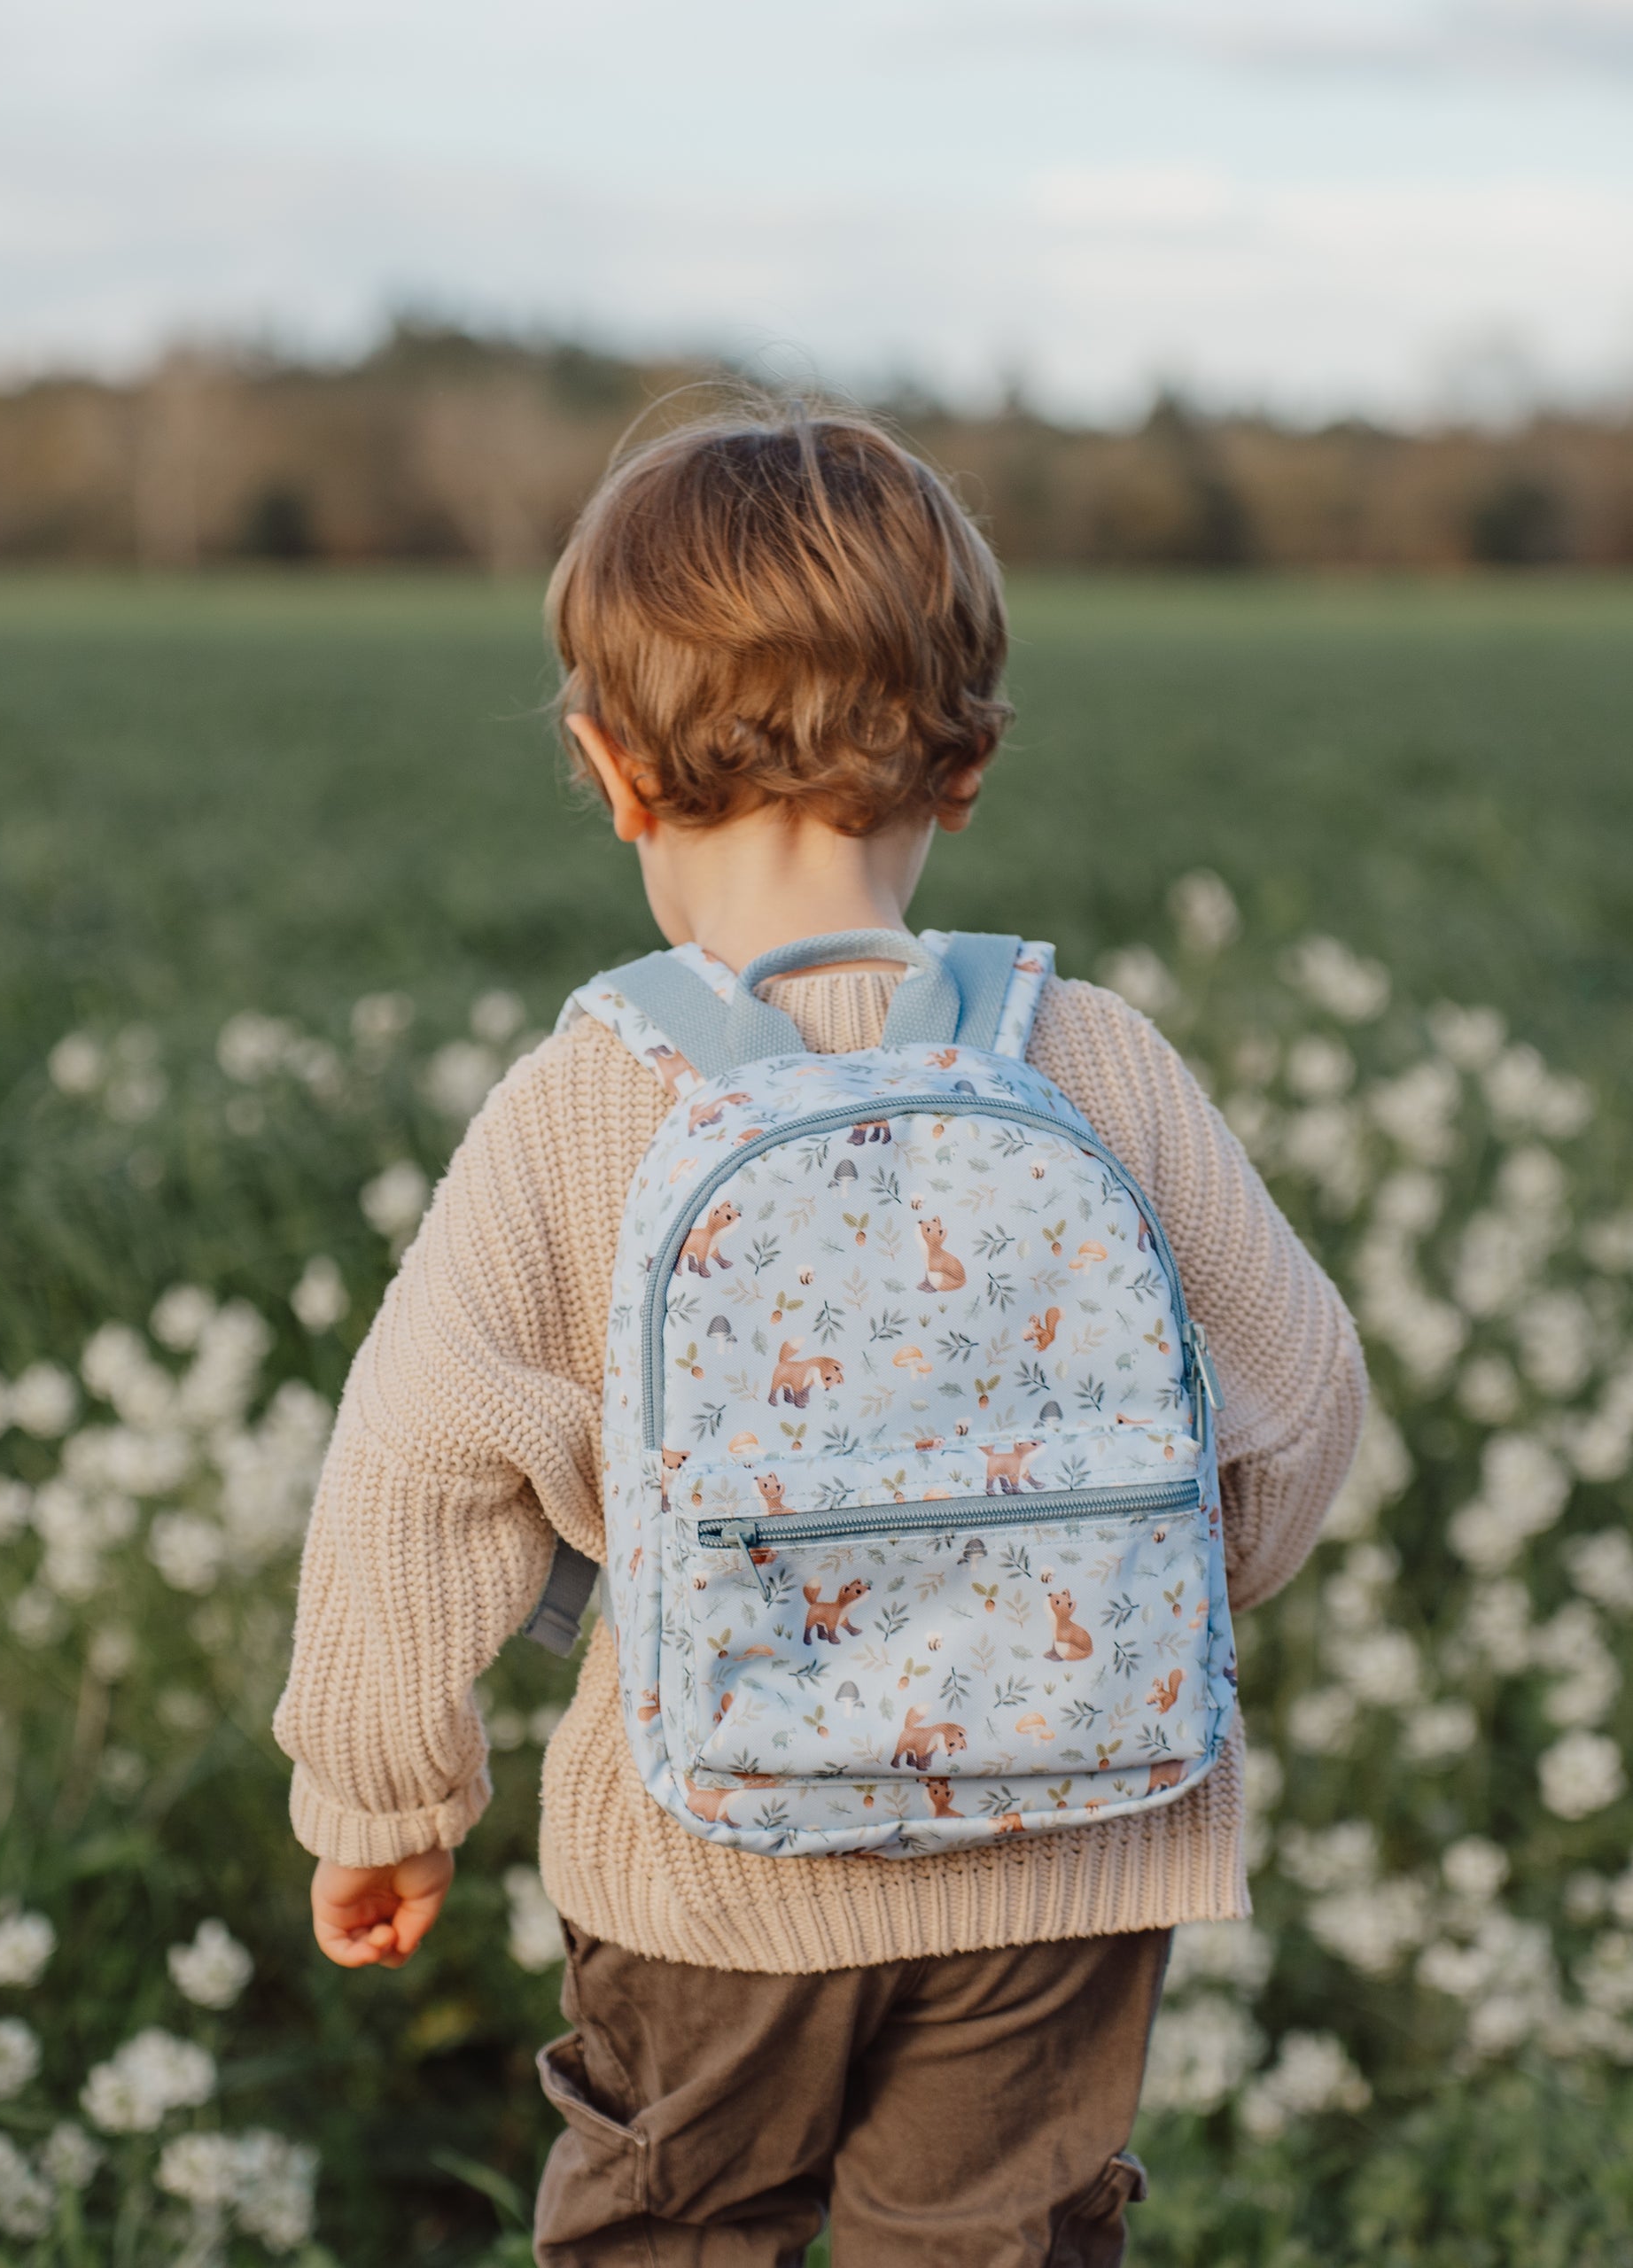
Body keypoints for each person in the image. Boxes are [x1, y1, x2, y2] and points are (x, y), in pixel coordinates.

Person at [273, 400, 1366, 2265]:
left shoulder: (589, 1099)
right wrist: (1120, 1595)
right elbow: (1301, 1397)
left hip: (712, 1862)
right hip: (1070, 1832)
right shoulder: (1087, 1054)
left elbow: (417, 1457)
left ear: (613, 771)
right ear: (968, 766)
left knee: (675, 2231)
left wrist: (381, 1788)